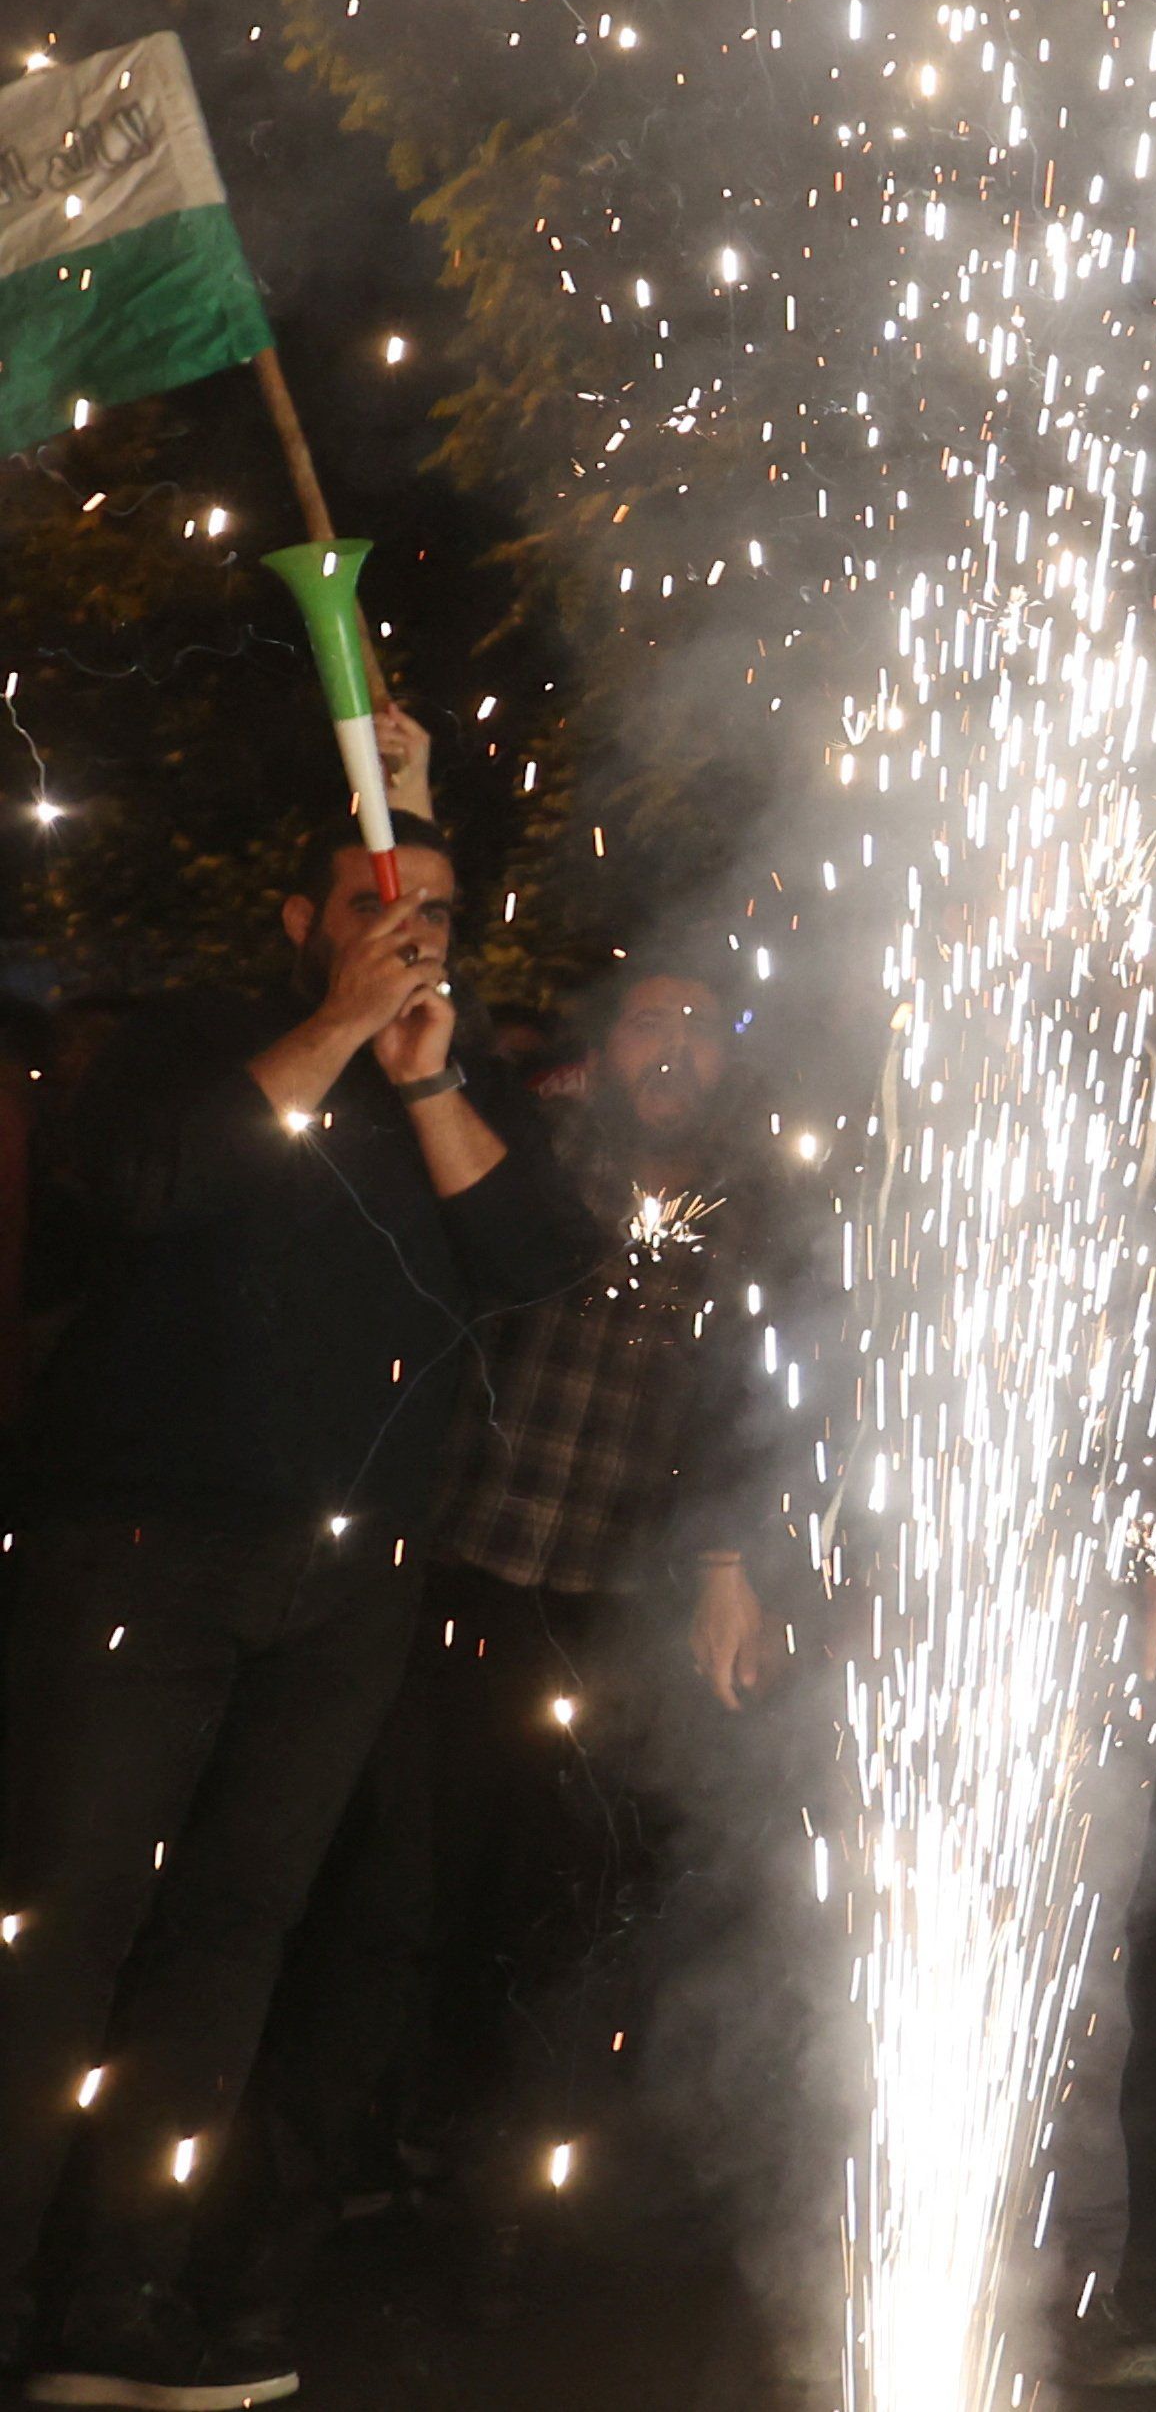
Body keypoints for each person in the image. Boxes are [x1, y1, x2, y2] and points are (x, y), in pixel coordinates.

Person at [2, 820, 600, 2404]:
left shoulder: (445, 1076)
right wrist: (337, 1027)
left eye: (439, 916)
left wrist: (417, 1073)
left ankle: (116, 2300)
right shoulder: (199, 1035)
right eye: (373, 909)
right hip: (137, 1549)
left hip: (348, 1580)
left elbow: (541, 1252)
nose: (411, 939)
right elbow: (140, 1184)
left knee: (233, 1936)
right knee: (63, 1929)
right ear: (300, 917)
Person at [218, 960, 759, 2337]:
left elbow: (748, 1411)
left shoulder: (756, 1209)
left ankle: (492, 2219)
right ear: (608, 1033)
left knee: (555, 1918)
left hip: (606, 1605)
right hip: (450, 1568)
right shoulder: (533, 1146)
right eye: (653, 1017)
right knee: (384, 1903)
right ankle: (281, 2230)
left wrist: (722, 1570)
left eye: (703, 1028)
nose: (675, 1047)